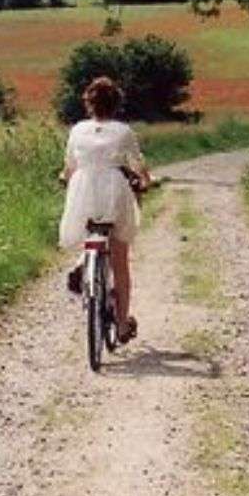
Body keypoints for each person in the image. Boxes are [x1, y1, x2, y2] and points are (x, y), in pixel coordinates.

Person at [59, 76, 150, 344]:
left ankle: (83, 261)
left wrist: (65, 177)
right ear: (116, 105)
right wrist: (145, 181)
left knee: (90, 227)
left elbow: (69, 167)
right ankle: (122, 325)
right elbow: (137, 164)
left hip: (82, 188)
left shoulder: (77, 130)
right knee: (120, 259)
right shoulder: (123, 132)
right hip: (114, 189)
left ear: (89, 103)